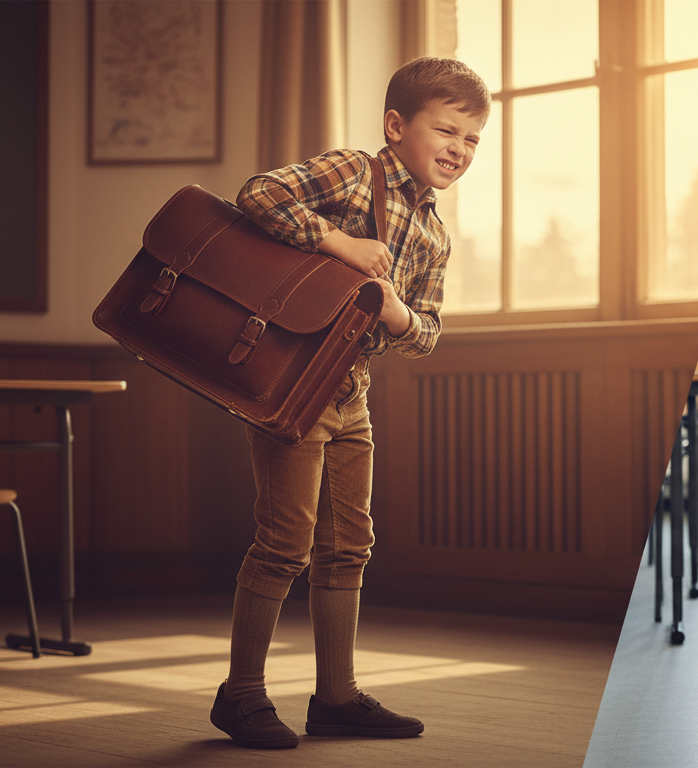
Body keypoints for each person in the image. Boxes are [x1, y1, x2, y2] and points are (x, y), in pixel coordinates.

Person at [208, 57, 491, 750]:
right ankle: (240, 694)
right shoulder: (352, 171)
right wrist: (341, 243)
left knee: (349, 545)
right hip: (291, 384)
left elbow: (425, 333)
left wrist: (396, 313)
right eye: (446, 130)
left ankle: (335, 697)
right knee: (285, 542)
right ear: (397, 126)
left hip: (350, 393)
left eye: (474, 139)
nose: (460, 148)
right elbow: (260, 193)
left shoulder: (432, 234)